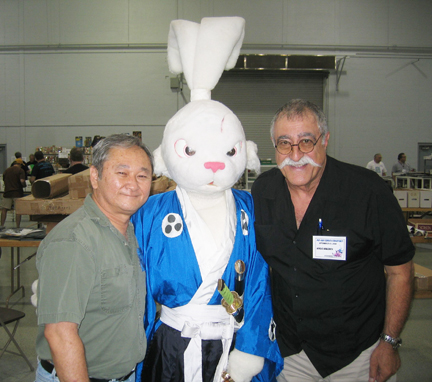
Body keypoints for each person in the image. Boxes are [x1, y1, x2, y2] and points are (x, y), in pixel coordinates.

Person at [251, 99, 415, 382]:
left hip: (356, 356)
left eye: (306, 141)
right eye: (284, 143)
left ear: (325, 140)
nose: (296, 154)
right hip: (290, 353)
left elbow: (399, 271)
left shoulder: (368, 192)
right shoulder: (263, 191)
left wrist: (389, 342)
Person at [35, 134, 153, 382]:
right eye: (122, 173)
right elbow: (59, 333)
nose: (133, 184)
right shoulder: (74, 241)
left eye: (142, 176)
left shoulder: (132, 232)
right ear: (94, 177)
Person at [1, 161, 26, 228]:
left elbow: (4, 179)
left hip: (7, 192)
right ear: (19, 164)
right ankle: (17, 226)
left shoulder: (6, 170)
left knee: (4, 209)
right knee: (17, 210)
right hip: (17, 192)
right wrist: (24, 185)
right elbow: (22, 181)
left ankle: (2, 225)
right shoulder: (20, 170)